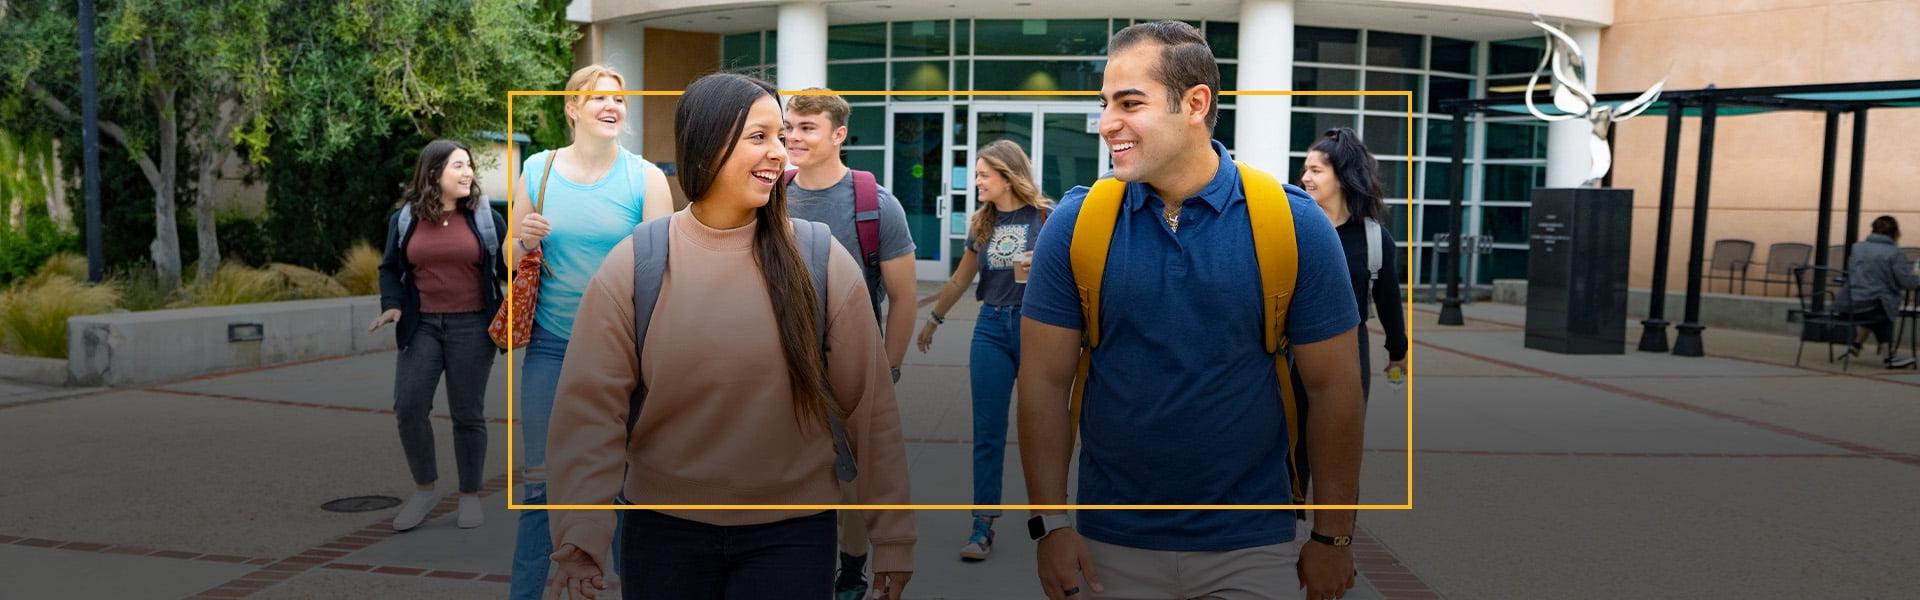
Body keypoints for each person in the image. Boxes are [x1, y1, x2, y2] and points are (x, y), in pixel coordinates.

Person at [1016, 21, 1366, 600]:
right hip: (1109, 546)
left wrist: (1333, 537)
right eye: (1105, 104)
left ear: (1195, 103)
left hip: (1253, 544)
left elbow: (1335, 389)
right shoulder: (1077, 226)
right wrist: (1049, 525)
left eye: (1130, 103)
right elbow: (1042, 383)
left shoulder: (1292, 223)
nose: (1107, 123)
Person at [541, 72, 915, 600]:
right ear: (706, 143)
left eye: (781, 138)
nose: (780, 155)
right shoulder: (639, 261)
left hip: (794, 535)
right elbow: (589, 411)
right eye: (759, 137)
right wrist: (580, 535)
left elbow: (870, 410)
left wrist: (893, 536)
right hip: (662, 533)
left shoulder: (821, 257)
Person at [507, 64, 673, 600]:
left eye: (619, 100)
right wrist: (524, 242)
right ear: (572, 108)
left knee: (626, 486)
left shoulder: (644, 177)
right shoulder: (538, 170)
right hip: (552, 348)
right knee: (540, 486)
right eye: (598, 98)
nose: (612, 107)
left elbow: (664, 271)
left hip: (622, 350)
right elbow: (510, 256)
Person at [782, 88, 919, 599]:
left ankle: (852, 566)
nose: (792, 137)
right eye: (788, 127)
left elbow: (904, 298)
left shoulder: (875, 206)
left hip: (851, 365)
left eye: (806, 128)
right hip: (780, 362)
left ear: (838, 135)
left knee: (851, 476)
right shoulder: (771, 191)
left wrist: (888, 371)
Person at [913, 139, 1053, 562]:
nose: (975, 182)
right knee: (988, 432)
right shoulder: (982, 224)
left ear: (1007, 176)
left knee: (1041, 433)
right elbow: (959, 280)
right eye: (975, 174)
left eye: (982, 175)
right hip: (991, 327)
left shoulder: (1045, 218)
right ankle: (982, 526)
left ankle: (1051, 522)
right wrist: (933, 320)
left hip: (1035, 328)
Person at [371, 139, 509, 532]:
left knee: (468, 414)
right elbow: (389, 267)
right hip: (423, 325)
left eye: (469, 166)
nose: (468, 173)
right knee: (409, 406)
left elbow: (509, 270)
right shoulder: (406, 218)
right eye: (458, 166)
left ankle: (469, 495)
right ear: (434, 173)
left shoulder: (485, 218)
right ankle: (425, 488)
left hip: (473, 327)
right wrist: (392, 304)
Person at [1300, 127, 1409, 398]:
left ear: (1342, 176)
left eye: (1316, 170)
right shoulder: (1295, 227)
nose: (1305, 178)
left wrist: (1398, 352)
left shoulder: (1374, 238)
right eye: (1306, 170)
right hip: (1297, 351)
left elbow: (1389, 301)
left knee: (1342, 438)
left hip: (1349, 350)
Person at [1835, 216, 1920, 368]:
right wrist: (1916, 278)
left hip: (1848, 303)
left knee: (1873, 302)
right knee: (1881, 306)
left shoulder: (1857, 247)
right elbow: (1905, 282)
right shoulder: (1895, 253)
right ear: (1896, 233)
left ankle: (1857, 345)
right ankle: (1889, 357)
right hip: (1872, 305)